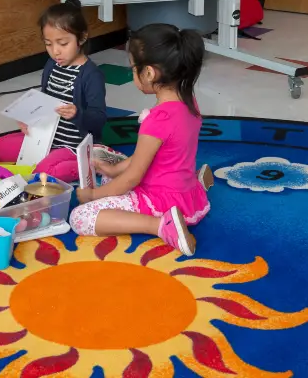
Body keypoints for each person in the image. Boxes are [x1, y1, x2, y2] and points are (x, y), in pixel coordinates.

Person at [69, 24, 212, 256]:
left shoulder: (157, 120)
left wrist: (93, 196)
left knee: (80, 218)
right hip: (181, 189)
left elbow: (133, 177)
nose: (132, 73)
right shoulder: (188, 101)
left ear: (149, 73)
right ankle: (197, 186)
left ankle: (161, 226)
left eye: (133, 69)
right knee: (110, 175)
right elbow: (152, 155)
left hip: (160, 199)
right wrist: (114, 169)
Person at [0, 0, 107, 181]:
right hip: (46, 139)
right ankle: (47, 159)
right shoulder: (52, 65)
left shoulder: (91, 75)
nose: (55, 52)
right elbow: (45, 101)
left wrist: (77, 114)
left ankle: (91, 163)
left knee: (45, 174)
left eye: (63, 43)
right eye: (48, 44)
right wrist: (30, 119)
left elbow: (98, 121)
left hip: (72, 145)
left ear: (82, 38)